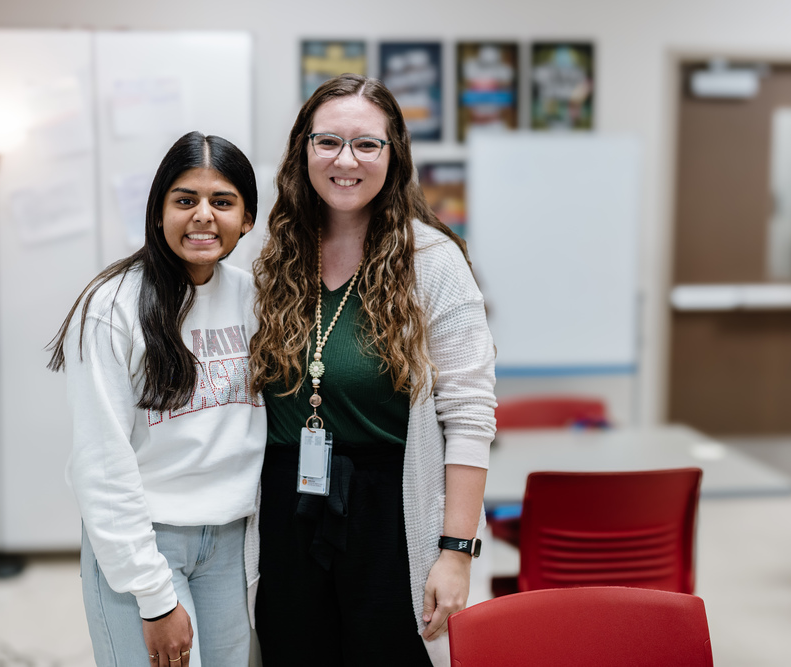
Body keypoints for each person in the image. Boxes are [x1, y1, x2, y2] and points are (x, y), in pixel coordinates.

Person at [248, 74, 497, 667]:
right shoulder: (273, 256)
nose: (346, 160)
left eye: (366, 144)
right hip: (285, 506)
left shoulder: (433, 260)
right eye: (328, 141)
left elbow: (469, 416)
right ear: (303, 149)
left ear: (394, 155)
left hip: (391, 510)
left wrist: (455, 551)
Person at [47, 131, 265, 667]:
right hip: (145, 539)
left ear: (247, 219)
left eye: (222, 202)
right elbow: (101, 460)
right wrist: (152, 593)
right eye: (185, 200)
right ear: (158, 212)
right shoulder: (112, 306)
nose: (203, 216)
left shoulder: (254, 297)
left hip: (232, 541)